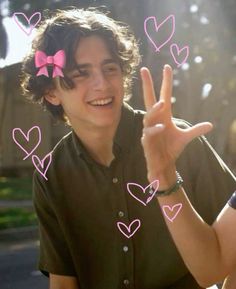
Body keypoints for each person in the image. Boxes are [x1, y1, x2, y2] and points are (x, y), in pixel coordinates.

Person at [21, 7, 236, 289]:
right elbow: (63, 281)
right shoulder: (51, 174)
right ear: (51, 91)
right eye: (81, 73)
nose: (102, 84)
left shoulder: (180, 142)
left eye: (110, 68)